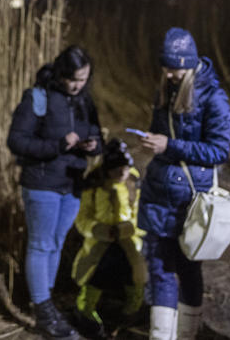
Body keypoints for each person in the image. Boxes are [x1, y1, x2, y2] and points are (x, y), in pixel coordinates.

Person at [137, 27, 230, 340]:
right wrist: (152, 143)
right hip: (158, 193)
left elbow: (219, 150)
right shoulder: (166, 89)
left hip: (190, 199)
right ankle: (161, 335)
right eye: (166, 67)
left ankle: (188, 333)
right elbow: (162, 134)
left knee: (189, 269)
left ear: (189, 64)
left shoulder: (214, 98)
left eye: (175, 68)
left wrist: (170, 146)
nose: (169, 74)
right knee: (161, 268)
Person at [7, 45, 102, 339]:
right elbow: (17, 141)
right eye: (74, 79)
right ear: (61, 74)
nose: (78, 84)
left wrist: (92, 145)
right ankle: (43, 310)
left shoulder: (84, 100)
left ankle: (45, 298)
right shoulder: (38, 96)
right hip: (42, 183)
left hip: (72, 183)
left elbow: (98, 135)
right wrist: (59, 145)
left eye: (84, 78)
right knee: (41, 244)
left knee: (57, 242)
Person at [72, 138, 146, 339]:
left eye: (125, 168)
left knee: (134, 272)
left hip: (127, 241)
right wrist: (97, 229)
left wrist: (128, 228)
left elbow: (140, 215)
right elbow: (82, 218)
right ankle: (86, 313)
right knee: (96, 274)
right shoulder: (94, 186)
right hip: (100, 243)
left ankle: (131, 312)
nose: (122, 173)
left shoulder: (133, 184)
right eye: (116, 169)